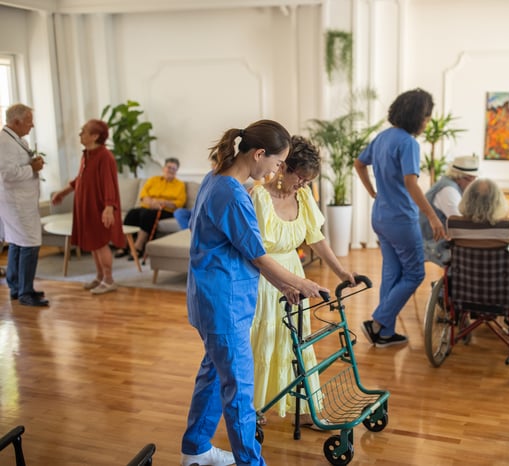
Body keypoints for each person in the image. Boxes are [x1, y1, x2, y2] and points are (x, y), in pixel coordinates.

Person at [181, 120, 329, 466]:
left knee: (214, 373)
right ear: (259, 154)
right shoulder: (233, 194)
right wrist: (301, 283)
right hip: (224, 302)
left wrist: (286, 285)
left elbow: (238, 247)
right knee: (239, 391)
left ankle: (196, 449)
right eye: (278, 163)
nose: (278, 170)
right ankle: (251, 462)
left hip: (211, 296)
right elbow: (258, 255)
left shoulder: (214, 179)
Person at [250, 135, 356, 426]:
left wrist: (341, 272)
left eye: (309, 180)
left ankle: (308, 408)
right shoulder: (258, 197)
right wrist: (282, 281)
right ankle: (255, 408)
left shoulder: (304, 197)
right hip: (265, 277)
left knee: (297, 343)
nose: (304, 185)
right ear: (283, 168)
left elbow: (316, 239)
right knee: (265, 341)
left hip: (295, 275)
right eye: (302, 178)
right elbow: (253, 252)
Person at [354, 88, 447, 347]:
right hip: (401, 220)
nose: (428, 122)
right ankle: (377, 322)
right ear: (417, 116)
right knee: (416, 273)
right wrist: (433, 217)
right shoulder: (408, 143)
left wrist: (374, 192)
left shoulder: (382, 137)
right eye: (427, 117)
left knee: (392, 273)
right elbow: (411, 183)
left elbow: (359, 163)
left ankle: (384, 334)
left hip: (380, 217)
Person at [51, 120, 126, 294]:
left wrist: (109, 208)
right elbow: (80, 179)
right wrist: (63, 192)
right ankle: (100, 276)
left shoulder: (105, 156)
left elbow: (109, 183)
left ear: (95, 136)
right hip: (86, 205)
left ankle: (109, 279)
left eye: (83, 132)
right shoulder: (87, 155)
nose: (80, 135)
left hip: (99, 206)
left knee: (100, 243)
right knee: (93, 243)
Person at [0, 103, 48, 307]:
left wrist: (31, 164)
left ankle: (17, 287)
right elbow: (7, 174)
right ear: (16, 122)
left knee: (18, 242)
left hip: (21, 201)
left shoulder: (16, 140)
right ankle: (25, 292)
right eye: (29, 121)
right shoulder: (4, 143)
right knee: (29, 243)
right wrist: (32, 168)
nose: (32, 125)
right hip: (16, 203)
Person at [447, 178, 509, 267]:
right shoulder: (508, 227)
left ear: (467, 199)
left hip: (462, 280)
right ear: (497, 201)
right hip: (500, 280)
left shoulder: (453, 224)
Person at [115, 157, 186, 258]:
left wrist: (164, 202)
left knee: (147, 215)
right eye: (168, 167)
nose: (170, 170)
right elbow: (143, 196)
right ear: (163, 168)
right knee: (132, 213)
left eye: (173, 168)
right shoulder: (153, 180)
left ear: (176, 170)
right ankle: (124, 245)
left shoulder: (180, 185)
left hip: (165, 210)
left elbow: (180, 202)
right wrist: (152, 203)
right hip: (149, 206)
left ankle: (138, 246)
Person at [419, 155, 480, 265]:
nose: (472, 184)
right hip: (430, 244)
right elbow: (460, 222)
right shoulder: (448, 190)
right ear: (459, 177)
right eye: (470, 179)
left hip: (436, 241)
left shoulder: (452, 185)